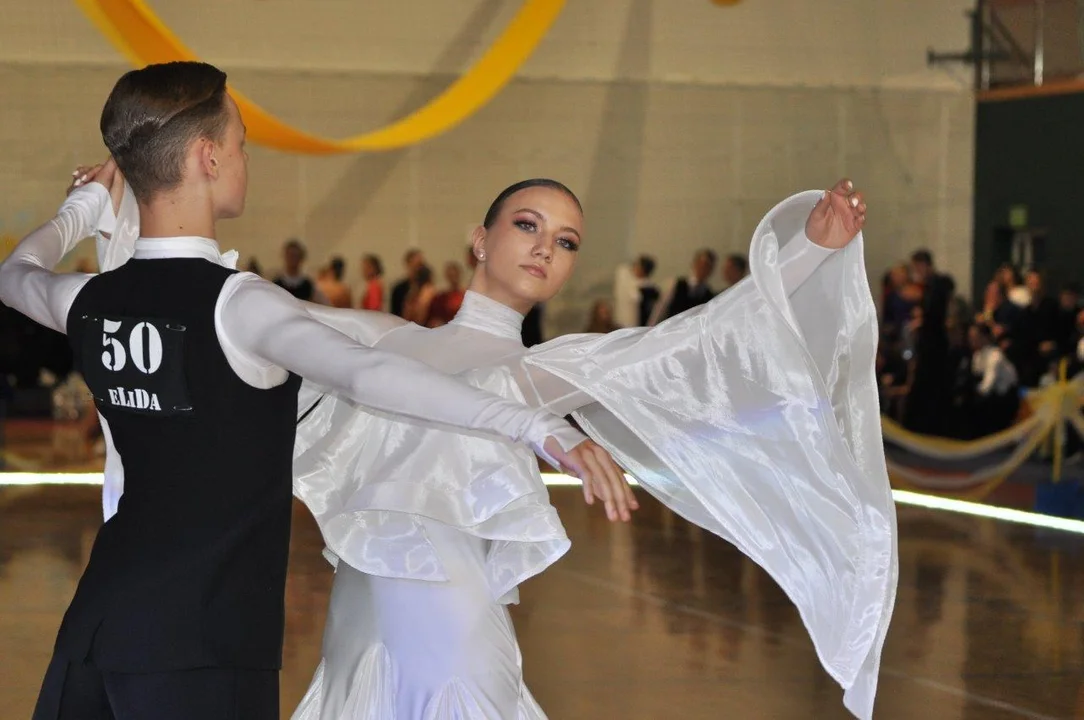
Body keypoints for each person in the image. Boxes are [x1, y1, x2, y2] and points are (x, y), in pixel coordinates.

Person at [2, 61, 620, 720]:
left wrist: (83, 209)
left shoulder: (88, 300)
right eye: (242, 144)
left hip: (93, 631)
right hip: (205, 643)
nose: (246, 159)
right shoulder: (241, 306)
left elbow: (15, 275)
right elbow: (368, 375)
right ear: (209, 157)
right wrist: (535, 426)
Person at [288, 178, 895, 720]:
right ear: (480, 240)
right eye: (527, 225)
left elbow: (698, 338)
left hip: (452, 620)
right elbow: (253, 314)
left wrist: (810, 250)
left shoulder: (542, 371)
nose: (544, 248)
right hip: (356, 623)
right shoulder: (382, 340)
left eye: (566, 242)